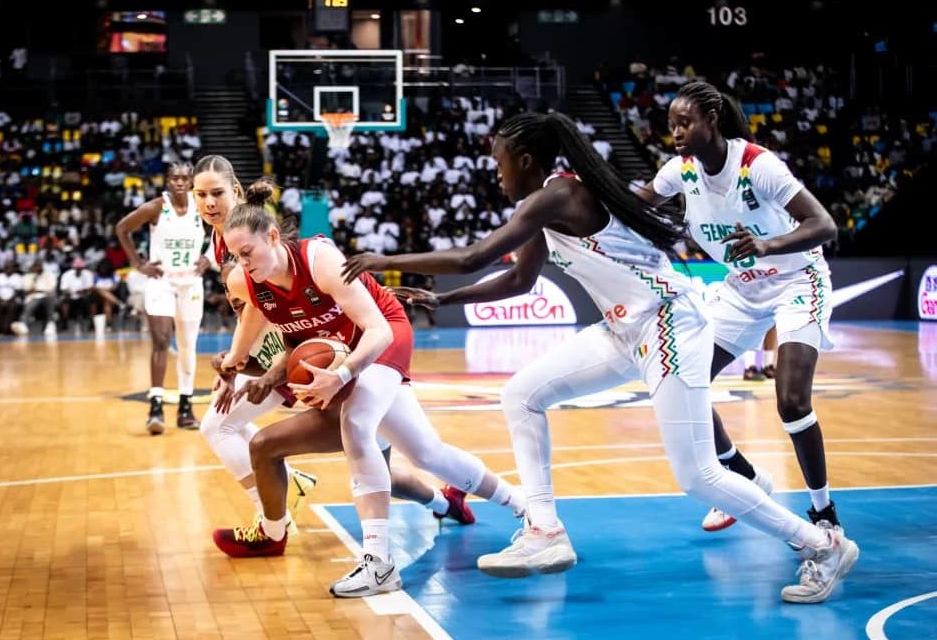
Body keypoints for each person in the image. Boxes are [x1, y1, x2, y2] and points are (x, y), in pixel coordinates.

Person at [342, 110, 857, 603]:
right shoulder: (548, 207)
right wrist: (445, 299)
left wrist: (384, 260)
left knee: (697, 477)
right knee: (522, 394)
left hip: (667, 321)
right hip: (625, 328)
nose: (496, 177)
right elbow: (520, 279)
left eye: (499, 164)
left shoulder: (558, 194)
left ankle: (823, 545)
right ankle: (544, 529)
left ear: (524, 161)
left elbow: (472, 256)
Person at [219, 182, 525, 598]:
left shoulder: (320, 258)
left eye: (247, 252)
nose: (242, 263)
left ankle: (379, 563)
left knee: (357, 423)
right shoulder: (249, 281)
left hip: (383, 334)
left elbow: (377, 330)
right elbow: (247, 331)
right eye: (235, 255)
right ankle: (525, 506)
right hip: (349, 355)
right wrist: (231, 368)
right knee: (426, 454)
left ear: (272, 237)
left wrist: (342, 375)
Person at [636, 81, 841, 533]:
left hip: (796, 281)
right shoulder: (679, 171)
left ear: (712, 119)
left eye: (685, 122)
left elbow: (824, 224)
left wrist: (770, 245)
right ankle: (745, 480)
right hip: (742, 291)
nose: (676, 132)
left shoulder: (758, 165)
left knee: (790, 401)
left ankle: (825, 516)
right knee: (680, 381)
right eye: (672, 125)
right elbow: (635, 205)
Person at [204, 260, 476, 559]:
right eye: (230, 298)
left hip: (361, 392)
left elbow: (298, 356)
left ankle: (273, 531)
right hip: (343, 398)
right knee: (386, 476)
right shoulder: (248, 326)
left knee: (265, 446)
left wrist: (266, 378)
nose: (236, 302)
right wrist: (234, 364)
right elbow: (273, 363)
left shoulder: (284, 307)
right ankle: (447, 503)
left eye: (241, 296)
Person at [116, 162, 208, 434]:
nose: (180, 182)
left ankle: (185, 407)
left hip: (191, 283)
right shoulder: (157, 206)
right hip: (161, 281)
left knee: (187, 345)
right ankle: (155, 406)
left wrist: (211, 257)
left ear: (192, 181)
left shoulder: (202, 205)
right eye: (175, 178)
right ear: (168, 181)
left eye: (184, 178)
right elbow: (122, 228)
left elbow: (225, 228)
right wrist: (137, 263)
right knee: (161, 340)